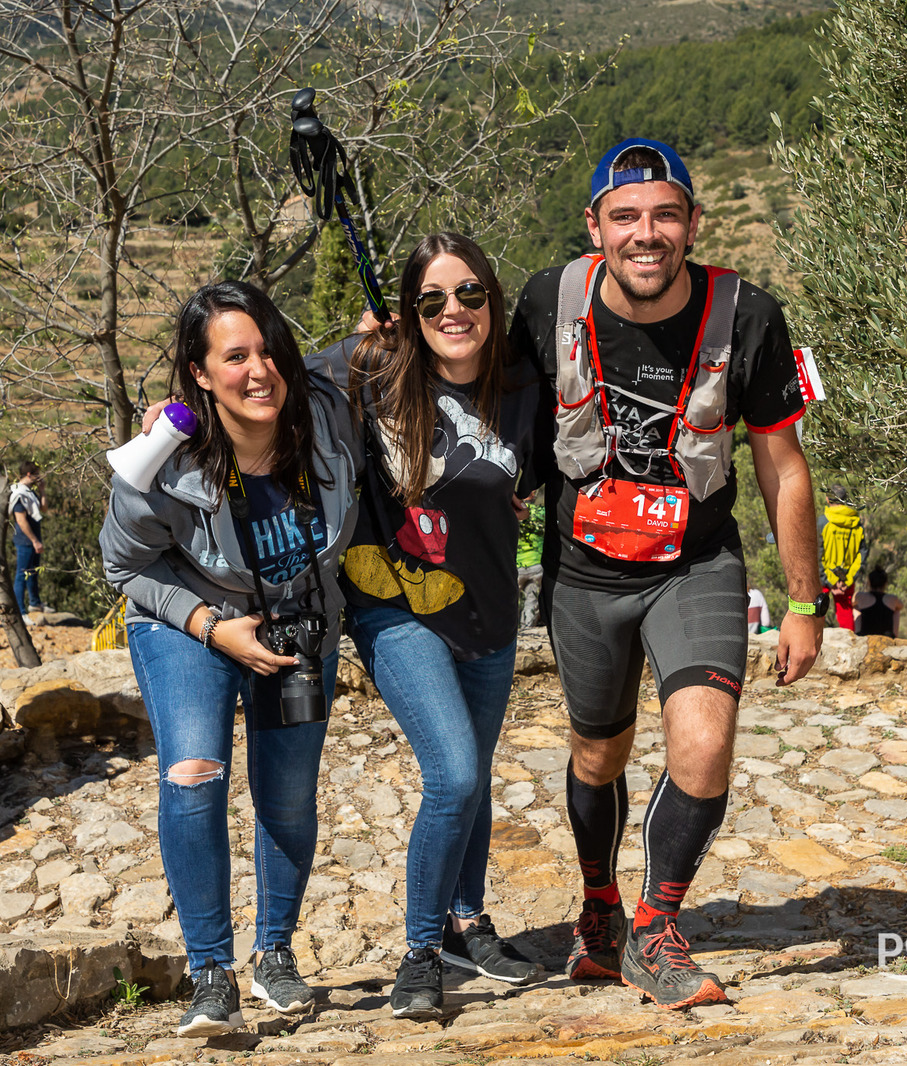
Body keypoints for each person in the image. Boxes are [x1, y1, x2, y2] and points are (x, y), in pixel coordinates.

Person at [509, 139, 823, 1010]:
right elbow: (487, 404)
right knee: (597, 753)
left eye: (664, 215)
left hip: (696, 564)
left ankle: (655, 927)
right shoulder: (548, 301)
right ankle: (598, 908)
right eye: (625, 217)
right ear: (594, 227)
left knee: (705, 743)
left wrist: (805, 601)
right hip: (583, 573)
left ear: (693, 223)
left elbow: (783, 465)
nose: (645, 234)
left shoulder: (749, 316)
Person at [100, 282, 360, 1037]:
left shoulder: (326, 416)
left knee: (289, 795)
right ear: (200, 374)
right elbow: (123, 566)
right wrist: (212, 627)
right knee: (194, 775)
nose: (259, 370)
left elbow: (388, 348)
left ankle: (275, 954)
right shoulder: (164, 462)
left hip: (296, 623)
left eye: (269, 350)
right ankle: (211, 974)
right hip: (187, 618)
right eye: (235, 356)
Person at [312, 232, 553, 1019]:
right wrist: (178, 412)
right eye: (432, 300)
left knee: (473, 775)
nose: (455, 310)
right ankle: (420, 952)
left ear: (492, 298)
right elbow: (266, 385)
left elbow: (543, 472)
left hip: (488, 611)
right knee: (453, 773)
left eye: (470, 293)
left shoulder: (523, 387)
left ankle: (465, 921)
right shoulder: (372, 372)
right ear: (409, 313)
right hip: (393, 606)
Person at [818, 485, 865, 630]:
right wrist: (848, 579)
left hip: (823, 578)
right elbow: (862, 554)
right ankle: (848, 644)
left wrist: (830, 581)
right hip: (846, 580)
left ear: (827, 499)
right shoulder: (856, 523)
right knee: (846, 615)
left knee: (816, 611)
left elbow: (817, 554)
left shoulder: (822, 522)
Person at [9, 460, 47, 618]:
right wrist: (34, 540)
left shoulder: (29, 492)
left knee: (32, 572)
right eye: (37, 474)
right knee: (22, 575)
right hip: (25, 541)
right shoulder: (19, 494)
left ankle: (35, 603)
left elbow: (43, 508)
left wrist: (42, 491)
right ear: (29, 474)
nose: (39, 477)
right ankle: (20, 611)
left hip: (33, 539)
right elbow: (20, 520)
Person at [852, 566, 903, 637]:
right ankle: (894, 636)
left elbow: (851, 603)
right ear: (885, 583)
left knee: (856, 607)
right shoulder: (892, 598)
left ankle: (857, 632)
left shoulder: (860, 596)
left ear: (869, 583)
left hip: (865, 635)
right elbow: (901, 606)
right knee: (896, 610)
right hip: (887, 636)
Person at [517, 500, 545, 628]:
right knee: (532, 600)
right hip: (536, 564)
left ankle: (511, 629)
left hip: (517, 565)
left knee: (509, 600)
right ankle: (527, 628)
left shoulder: (513, 511)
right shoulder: (540, 513)